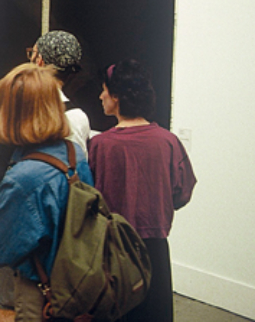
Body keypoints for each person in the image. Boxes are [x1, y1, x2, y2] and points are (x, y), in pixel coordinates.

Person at [0, 30, 90, 322]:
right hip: (69, 239)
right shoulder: (79, 125)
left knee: (12, 302)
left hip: (29, 247)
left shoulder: (23, 174)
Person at [88, 59, 197, 322]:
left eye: (104, 89)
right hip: (154, 249)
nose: (101, 96)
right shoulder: (168, 142)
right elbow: (182, 193)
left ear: (117, 96)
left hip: (112, 249)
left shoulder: (100, 145)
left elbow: (87, 200)